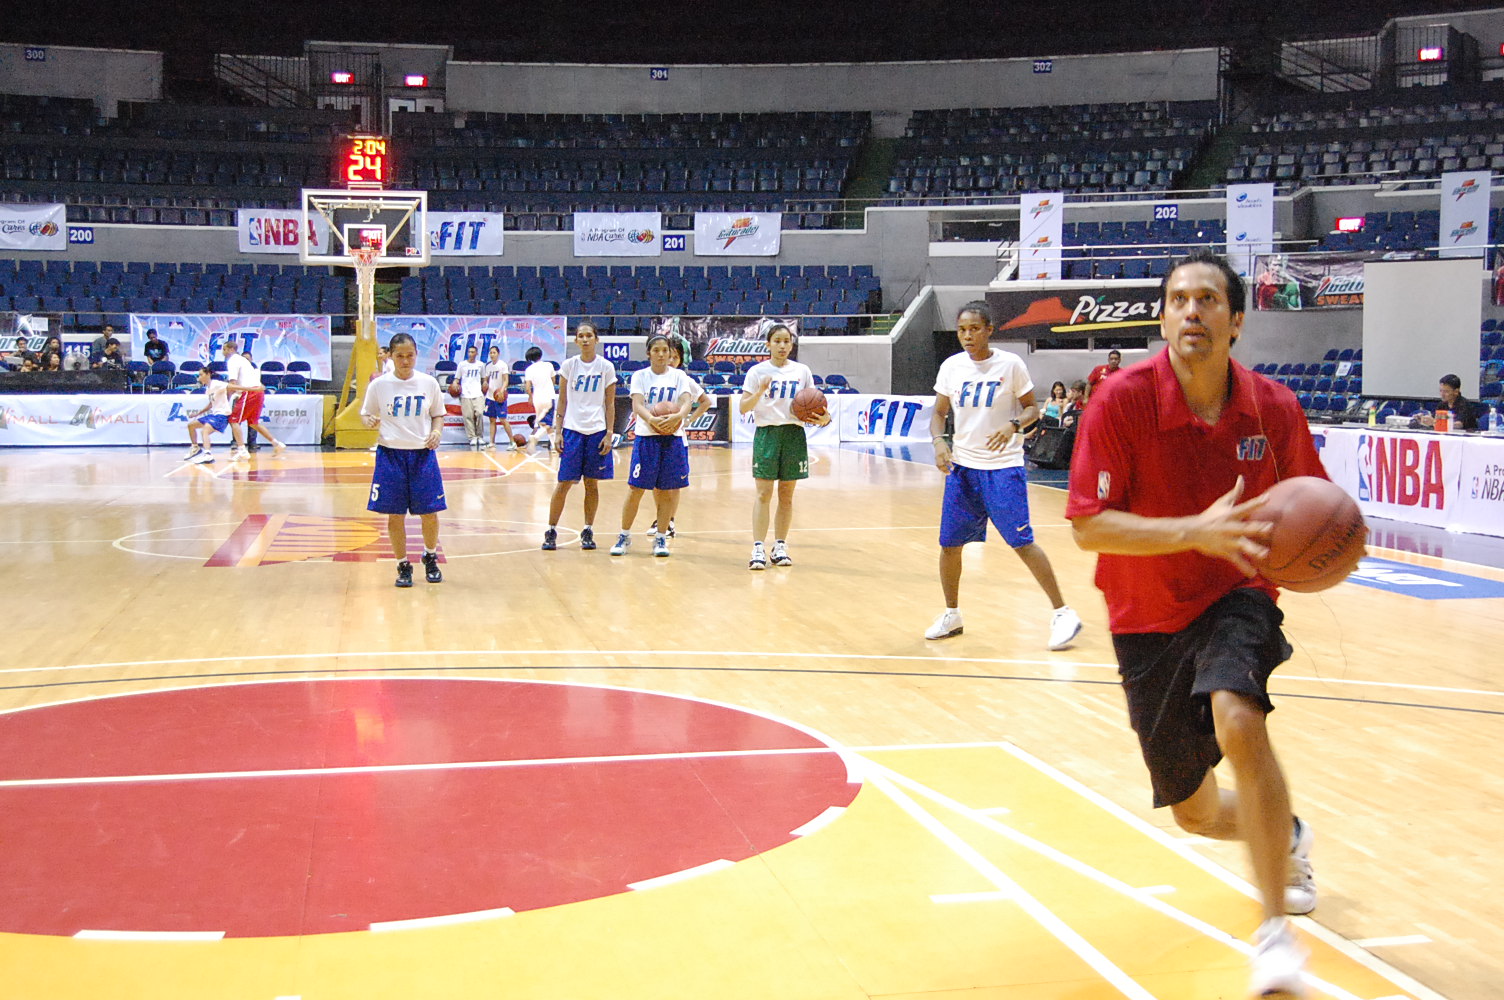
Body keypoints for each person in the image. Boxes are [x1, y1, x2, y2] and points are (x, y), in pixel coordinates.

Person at [1065, 250, 1325, 999]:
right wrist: (1192, 532)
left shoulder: (1273, 408)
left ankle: (1276, 937)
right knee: (1198, 812)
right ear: (1162, 316)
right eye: (1179, 299)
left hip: (1237, 594)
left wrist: (1324, 552)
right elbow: (1087, 526)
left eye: (1209, 300)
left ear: (1236, 321)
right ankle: (1290, 835)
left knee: (1240, 717)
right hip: (1145, 613)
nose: (1191, 312)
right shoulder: (1122, 400)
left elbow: (1314, 505)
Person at [926, 300, 1083, 650]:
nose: (967, 335)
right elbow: (939, 413)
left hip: (1002, 469)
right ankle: (952, 613)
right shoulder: (952, 367)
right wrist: (938, 441)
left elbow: (1032, 409)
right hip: (963, 468)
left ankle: (1062, 612)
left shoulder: (1010, 365)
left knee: (1022, 543)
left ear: (989, 330)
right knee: (949, 545)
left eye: (974, 329)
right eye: (962, 329)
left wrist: (1013, 425)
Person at [739, 323, 829, 570]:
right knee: (763, 493)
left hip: (794, 434)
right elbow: (743, 408)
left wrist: (824, 418)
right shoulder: (757, 372)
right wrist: (760, 391)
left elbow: (814, 407)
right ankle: (758, 547)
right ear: (768, 344)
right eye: (777, 341)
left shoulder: (802, 371)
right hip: (767, 433)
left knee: (787, 496)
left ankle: (780, 545)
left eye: (786, 341)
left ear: (791, 345)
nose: (782, 346)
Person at [610, 334, 709, 558]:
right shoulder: (640, 376)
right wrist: (652, 420)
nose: (662, 354)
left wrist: (680, 418)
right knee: (636, 489)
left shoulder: (679, 376)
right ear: (648, 353)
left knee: (666, 491)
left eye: (665, 350)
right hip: (647, 437)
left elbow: (686, 401)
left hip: (672, 438)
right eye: (657, 350)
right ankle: (624, 535)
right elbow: (637, 404)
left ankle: (661, 537)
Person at [361, 333, 447, 588]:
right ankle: (402, 563)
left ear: (416, 355)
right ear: (391, 356)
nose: (405, 360)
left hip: (422, 455)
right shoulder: (379, 385)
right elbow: (366, 414)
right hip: (390, 454)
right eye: (400, 356)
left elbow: (438, 414)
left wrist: (437, 432)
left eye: (410, 355)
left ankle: (430, 556)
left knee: (430, 512)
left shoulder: (428, 383)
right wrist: (369, 421)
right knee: (394, 515)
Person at [543, 320, 618, 551]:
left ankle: (588, 529)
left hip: (596, 431)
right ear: (576, 340)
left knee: (591, 484)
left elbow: (610, 403)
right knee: (564, 483)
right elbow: (562, 400)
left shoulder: (606, 367)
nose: (585, 339)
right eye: (581, 336)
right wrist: (557, 432)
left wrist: (609, 433)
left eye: (589, 335)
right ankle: (551, 530)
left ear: (596, 339)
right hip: (573, 430)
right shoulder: (569, 365)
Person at [223, 340, 285, 458]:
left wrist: (226, 399)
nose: (223, 352)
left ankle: (241, 449)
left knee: (234, 421)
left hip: (249, 392)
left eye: (224, 349)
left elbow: (232, 383)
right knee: (253, 423)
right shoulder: (243, 361)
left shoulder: (233, 361)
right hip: (258, 392)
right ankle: (277, 444)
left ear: (231, 349)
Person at [183, 366, 233, 464]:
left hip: (222, 415)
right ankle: (195, 448)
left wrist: (250, 389)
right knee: (191, 425)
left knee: (205, 430)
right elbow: (211, 404)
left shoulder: (216, 384)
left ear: (208, 374)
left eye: (201, 375)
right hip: (215, 415)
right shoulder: (208, 389)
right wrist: (197, 414)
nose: (199, 378)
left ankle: (208, 455)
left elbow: (231, 386)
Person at [522, 345, 558, 452]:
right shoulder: (549, 365)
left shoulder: (529, 369)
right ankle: (535, 437)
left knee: (545, 423)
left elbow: (528, 387)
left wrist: (530, 397)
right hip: (549, 397)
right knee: (548, 423)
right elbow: (553, 381)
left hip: (537, 399)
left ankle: (554, 447)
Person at [455, 344, 486, 449]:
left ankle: (480, 436)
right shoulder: (462, 365)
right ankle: (472, 437)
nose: (470, 354)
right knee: (468, 416)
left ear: (476, 353)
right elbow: (457, 378)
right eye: (469, 352)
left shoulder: (481, 365)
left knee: (480, 413)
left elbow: (483, 379)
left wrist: (485, 384)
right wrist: (455, 384)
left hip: (478, 393)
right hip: (465, 394)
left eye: (473, 352)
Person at [482, 345, 510, 450]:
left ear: (498, 354)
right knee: (492, 420)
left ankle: (512, 442)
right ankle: (492, 442)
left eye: (494, 353)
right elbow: (485, 379)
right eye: (491, 353)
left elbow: (506, 380)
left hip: (500, 396)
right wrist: (484, 383)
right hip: (490, 396)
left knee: (503, 420)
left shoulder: (502, 365)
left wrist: (502, 391)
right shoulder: (488, 366)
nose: (492, 354)